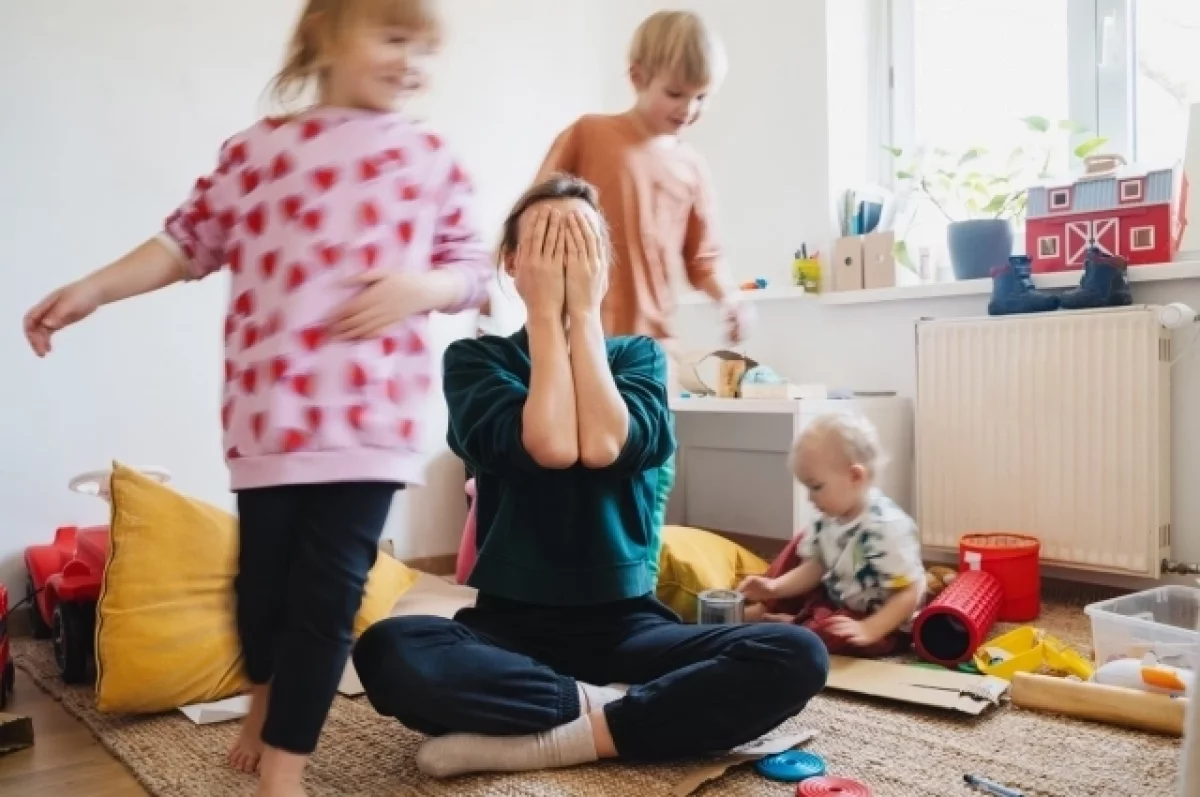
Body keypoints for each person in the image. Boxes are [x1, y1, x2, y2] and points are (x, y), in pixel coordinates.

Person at [22, 1, 490, 794]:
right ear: (326, 36)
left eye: (424, 47)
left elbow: (474, 265)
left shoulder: (429, 155)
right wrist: (93, 289)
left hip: (370, 424)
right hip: (269, 423)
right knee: (259, 591)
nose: (412, 61)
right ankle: (264, 695)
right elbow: (182, 243)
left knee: (326, 598)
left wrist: (424, 284)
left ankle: (285, 768)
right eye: (393, 36)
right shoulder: (259, 152)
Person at [352, 174, 827, 779]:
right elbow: (550, 445)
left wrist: (582, 311)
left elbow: (604, 445)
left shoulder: (639, 357)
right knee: (390, 650)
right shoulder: (477, 361)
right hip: (507, 626)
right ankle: (616, 712)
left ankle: (567, 734)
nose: (566, 263)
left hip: (628, 626)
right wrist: (550, 317)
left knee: (795, 653)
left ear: (604, 266)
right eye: (550, 247)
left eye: (582, 248)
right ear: (513, 263)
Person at [535, 10, 750, 580]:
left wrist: (728, 295)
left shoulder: (692, 167)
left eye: (702, 97)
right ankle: (569, 588)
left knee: (650, 476)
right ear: (636, 75)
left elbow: (704, 256)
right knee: (574, 476)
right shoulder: (590, 134)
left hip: (653, 352)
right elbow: (535, 210)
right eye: (676, 92)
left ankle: (637, 586)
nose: (690, 109)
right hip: (578, 341)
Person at [739, 413, 926, 658]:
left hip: (882, 621)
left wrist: (870, 629)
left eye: (816, 486)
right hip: (836, 597)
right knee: (801, 544)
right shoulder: (828, 515)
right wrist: (774, 587)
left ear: (854, 477)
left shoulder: (885, 528)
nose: (810, 498)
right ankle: (769, 608)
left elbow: (909, 593)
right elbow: (815, 566)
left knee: (826, 635)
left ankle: (795, 625)